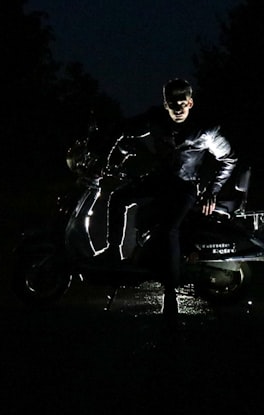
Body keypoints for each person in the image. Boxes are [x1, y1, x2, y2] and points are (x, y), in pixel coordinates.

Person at [93, 78, 237, 322]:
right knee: (119, 197)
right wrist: (104, 160)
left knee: (169, 229)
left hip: (185, 186)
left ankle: (170, 293)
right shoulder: (155, 119)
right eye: (172, 104)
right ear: (165, 104)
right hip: (160, 180)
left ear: (190, 102)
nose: (178, 109)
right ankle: (113, 254)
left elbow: (229, 158)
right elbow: (122, 129)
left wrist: (212, 190)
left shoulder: (205, 129)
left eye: (182, 103)